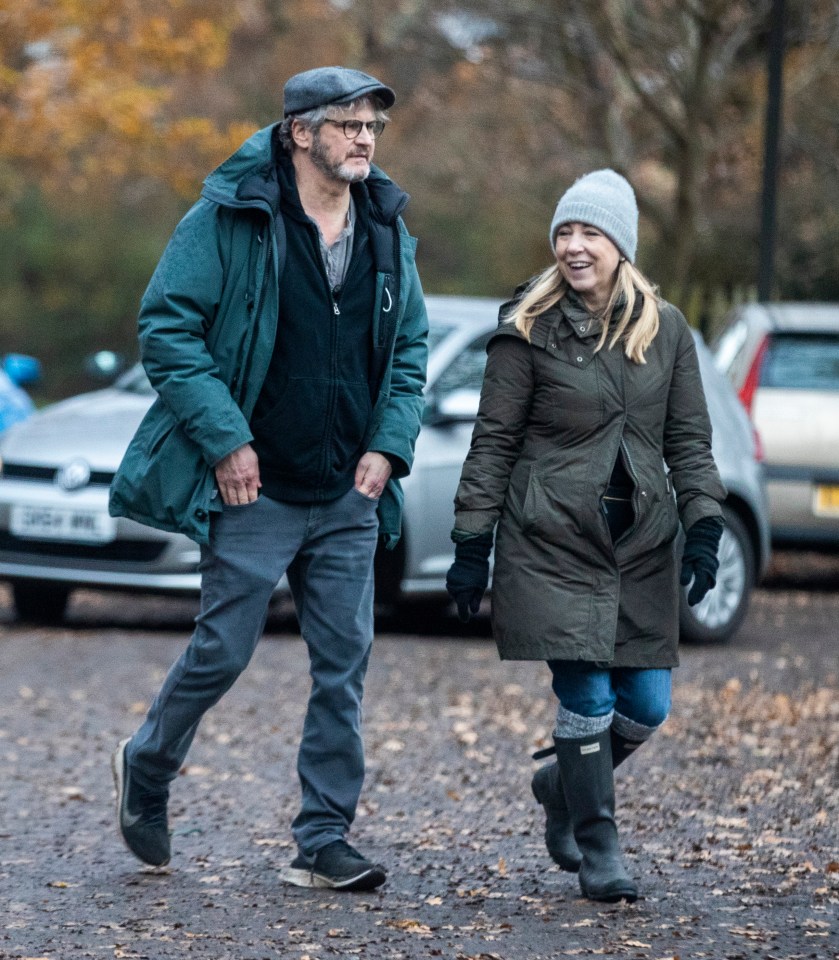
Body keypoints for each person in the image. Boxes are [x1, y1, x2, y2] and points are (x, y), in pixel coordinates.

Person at [109, 66, 428, 892]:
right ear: (299, 131)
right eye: (347, 123)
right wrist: (226, 440)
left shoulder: (387, 227)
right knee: (222, 649)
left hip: (347, 492)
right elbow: (166, 328)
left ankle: (323, 837)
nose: (363, 137)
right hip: (256, 486)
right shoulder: (230, 217)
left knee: (343, 663)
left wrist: (388, 448)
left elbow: (410, 356)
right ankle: (148, 763)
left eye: (372, 126)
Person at [445, 170, 726, 903]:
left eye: (589, 233)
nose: (572, 247)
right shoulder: (526, 330)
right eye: (564, 233)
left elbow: (689, 441)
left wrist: (703, 526)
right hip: (552, 541)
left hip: (637, 546)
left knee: (648, 705)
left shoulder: (665, 330)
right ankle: (598, 846)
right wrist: (472, 543)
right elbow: (492, 442)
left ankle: (558, 782)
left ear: (619, 246)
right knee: (588, 700)